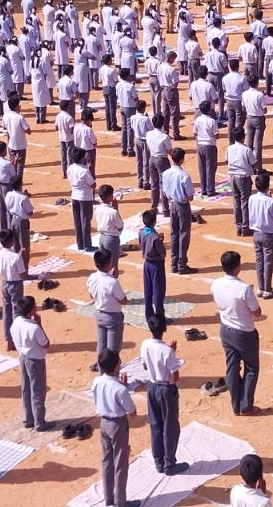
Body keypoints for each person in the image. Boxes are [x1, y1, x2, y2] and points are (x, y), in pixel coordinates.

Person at [211, 250, 261, 416]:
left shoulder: (216, 284)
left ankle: (236, 405)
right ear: (238, 267)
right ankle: (245, 406)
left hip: (226, 330)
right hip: (244, 332)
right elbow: (257, 312)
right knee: (251, 368)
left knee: (232, 367)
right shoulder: (244, 289)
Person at [91, 350, 140, 507]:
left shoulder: (96, 381)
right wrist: (124, 387)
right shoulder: (120, 389)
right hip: (117, 425)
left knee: (107, 461)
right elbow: (132, 412)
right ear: (117, 365)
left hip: (103, 424)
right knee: (120, 464)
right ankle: (121, 502)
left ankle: (109, 499)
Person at [138, 313, 184, 476]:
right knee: (170, 426)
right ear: (164, 328)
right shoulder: (167, 351)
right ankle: (169, 463)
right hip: (166, 389)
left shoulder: (145, 344)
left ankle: (159, 461)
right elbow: (175, 376)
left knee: (155, 425)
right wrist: (172, 353)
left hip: (152, 387)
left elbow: (145, 365)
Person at [10, 295, 51, 431]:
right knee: (38, 391)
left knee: (26, 389)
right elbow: (45, 344)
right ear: (31, 310)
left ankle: (29, 419)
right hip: (35, 362)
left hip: (23, 358)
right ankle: (40, 422)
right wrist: (39, 324)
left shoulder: (16, 322)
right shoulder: (34, 328)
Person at [87, 249, 126, 367]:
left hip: (99, 315)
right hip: (113, 318)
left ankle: (101, 370)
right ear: (109, 263)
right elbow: (123, 300)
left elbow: (92, 295)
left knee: (101, 347)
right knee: (113, 351)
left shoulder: (92, 278)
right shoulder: (112, 282)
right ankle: (113, 373)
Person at [247, 172, 273, 299]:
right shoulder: (270, 201)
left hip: (256, 233)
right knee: (268, 262)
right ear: (267, 186)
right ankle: (267, 289)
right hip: (268, 234)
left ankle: (261, 288)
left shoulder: (251, 198)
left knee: (259, 260)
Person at [0, 229, 26, 349]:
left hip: (4, 283)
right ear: (11, 241)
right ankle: (17, 339)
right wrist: (22, 258)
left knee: (6, 311)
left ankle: (8, 340)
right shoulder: (16, 258)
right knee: (16, 311)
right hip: (15, 284)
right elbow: (22, 275)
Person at [138, 210, 167, 324]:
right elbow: (163, 253)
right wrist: (161, 241)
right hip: (156, 265)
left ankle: (149, 316)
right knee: (158, 291)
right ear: (154, 222)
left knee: (148, 291)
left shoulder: (141, 232)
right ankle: (159, 317)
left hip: (147, 264)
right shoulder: (155, 238)